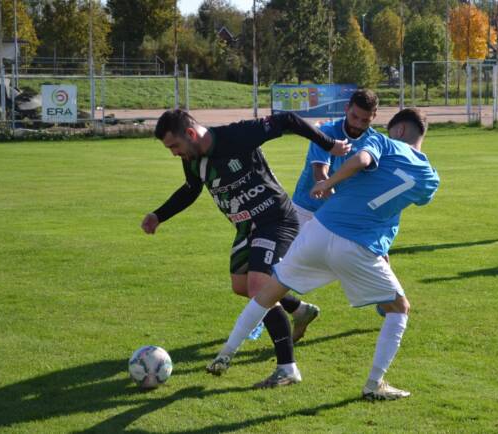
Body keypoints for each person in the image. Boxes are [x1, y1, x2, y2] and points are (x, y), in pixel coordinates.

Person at [205, 108, 440, 401]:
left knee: (269, 292)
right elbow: (404, 199)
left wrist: (328, 182)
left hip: (319, 229)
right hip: (357, 246)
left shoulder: (383, 142)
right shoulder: (431, 178)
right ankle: (373, 384)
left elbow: (362, 160)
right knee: (399, 309)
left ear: (400, 130)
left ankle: (225, 354)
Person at [142, 109, 350, 388]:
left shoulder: (236, 135)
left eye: (174, 146)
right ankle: (300, 311)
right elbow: (192, 189)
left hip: (276, 220)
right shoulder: (192, 158)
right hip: (246, 228)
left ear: (190, 134)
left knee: (258, 288)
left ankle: (287, 369)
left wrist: (329, 144)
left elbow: (286, 119)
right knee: (241, 287)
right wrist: (159, 215)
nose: (174, 153)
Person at [291, 89, 378, 225]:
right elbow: (319, 173)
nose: (358, 124)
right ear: (346, 109)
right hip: (307, 209)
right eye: (354, 117)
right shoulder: (327, 132)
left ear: (374, 116)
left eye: (365, 120)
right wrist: (342, 209)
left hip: (338, 211)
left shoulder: (373, 140)